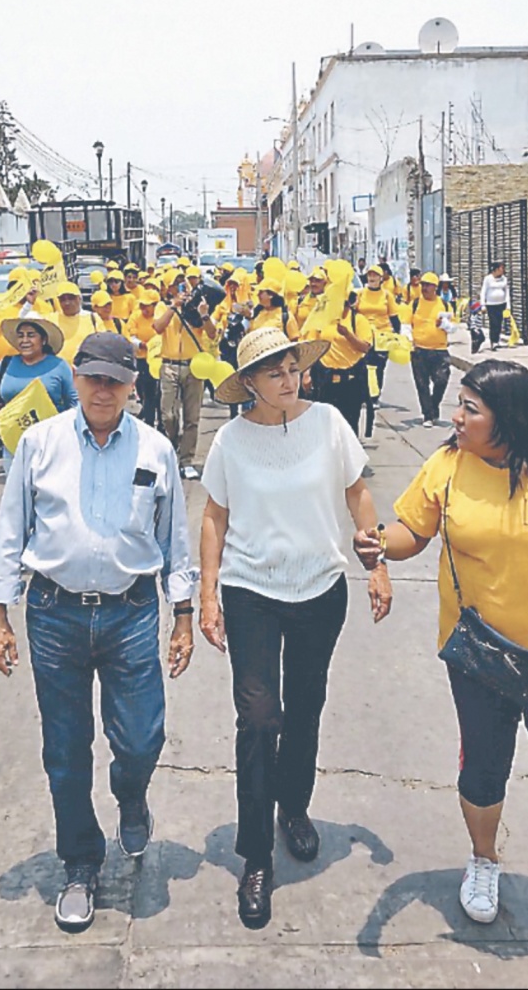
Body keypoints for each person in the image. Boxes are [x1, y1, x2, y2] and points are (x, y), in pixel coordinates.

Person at [354, 359, 528, 990]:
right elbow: (412, 532)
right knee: (482, 771)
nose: (457, 418)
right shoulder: (448, 465)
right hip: (480, 657)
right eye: (459, 405)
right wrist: (378, 543)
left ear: (507, 418)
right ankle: (484, 860)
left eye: (471, 409)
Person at [0, 332, 196, 933]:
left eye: (115, 379)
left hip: (131, 614)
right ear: (75, 380)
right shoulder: (39, 443)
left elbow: (174, 537)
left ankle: (131, 795)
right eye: (92, 377)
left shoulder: (154, 450)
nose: (103, 389)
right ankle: (79, 863)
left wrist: (182, 614)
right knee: (65, 751)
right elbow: (11, 529)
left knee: (141, 739)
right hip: (54, 613)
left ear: (134, 386)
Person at [201, 327, 392, 930]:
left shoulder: (331, 423)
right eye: (273, 372)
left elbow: (358, 492)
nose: (287, 379)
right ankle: (256, 855)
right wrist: (207, 593)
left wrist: (377, 564)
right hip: (251, 590)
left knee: (306, 704)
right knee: (260, 719)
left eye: (292, 368)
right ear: (249, 384)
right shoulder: (230, 441)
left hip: (319, 589)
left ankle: (295, 807)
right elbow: (214, 516)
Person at [0, 317, 77, 472]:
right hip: (13, 440)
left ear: (43, 339)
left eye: (31, 335)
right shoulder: (7, 363)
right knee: (17, 492)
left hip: (51, 441)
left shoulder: (59, 366)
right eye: (21, 335)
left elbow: (74, 401)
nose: (25, 340)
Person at [153, 268, 217, 480]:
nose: (182, 287)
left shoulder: (196, 307)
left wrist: (203, 313)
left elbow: (212, 333)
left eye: (185, 283)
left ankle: (187, 459)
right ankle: (172, 449)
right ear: (169, 288)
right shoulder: (163, 306)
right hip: (169, 365)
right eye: (177, 284)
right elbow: (158, 327)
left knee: (192, 416)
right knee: (168, 415)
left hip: (194, 366)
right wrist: (174, 306)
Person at [302, 291, 373, 438]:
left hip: (351, 381)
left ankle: (348, 457)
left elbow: (365, 347)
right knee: (324, 424)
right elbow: (313, 346)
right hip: (325, 380)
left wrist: (348, 334)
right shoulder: (323, 321)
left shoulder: (358, 320)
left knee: (349, 424)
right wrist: (307, 373)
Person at [409, 272, 453, 428]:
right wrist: (408, 341)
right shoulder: (415, 304)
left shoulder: (444, 305)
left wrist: (442, 324)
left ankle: (434, 406)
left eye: (428, 285)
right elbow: (407, 326)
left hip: (439, 350)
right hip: (419, 350)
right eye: (423, 285)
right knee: (422, 384)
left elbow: (452, 328)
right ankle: (428, 415)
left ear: (435, 287)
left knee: (442, 380)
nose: (424, 288)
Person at [357, 265, 402, 414]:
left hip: (382, 335)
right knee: (364, 366)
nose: (372, 277)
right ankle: (366, 394)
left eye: (375, 275)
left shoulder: (387, 295)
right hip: (364, 334)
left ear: (381, 278)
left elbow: (394, 318)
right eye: (370, 275)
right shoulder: (360, 294)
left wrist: (397, 336)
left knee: (379, 367)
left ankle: (375, 396)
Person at [126, 291, 162, 427]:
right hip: (143, 360)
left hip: (160, 360)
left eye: (147, 306)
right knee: (146, 393)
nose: (143, 309)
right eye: (141, 305)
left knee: (160, 394)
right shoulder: (136, 316)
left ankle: (162, 424)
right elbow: (130, 336)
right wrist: (141, 344)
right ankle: (149, 422)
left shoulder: (162, 316)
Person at [52, 282, 99, 365]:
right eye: (63, 299)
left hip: (85, 369)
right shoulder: (50, 319)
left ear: (79, 299)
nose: (67, 302)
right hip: (58, 369)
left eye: (71, 298)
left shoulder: (93, 318)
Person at [480, 261, 509, 352]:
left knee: (499, 323)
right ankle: (493, 341)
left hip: (501, 303)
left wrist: (508, 305)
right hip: (491, 304)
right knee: (494, 323)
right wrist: (483, 305)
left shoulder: (504, 279)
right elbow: (483, 292)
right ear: (496, 269)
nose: (502, 270)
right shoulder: (488, 279)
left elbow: (506, 292)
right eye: (501, 268)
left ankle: (497, 340)